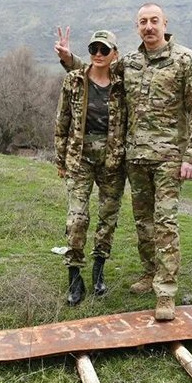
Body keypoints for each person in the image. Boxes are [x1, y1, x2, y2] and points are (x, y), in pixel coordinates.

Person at [55, 3, 192, 320]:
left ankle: (165, 293)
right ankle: (150, 272)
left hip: (168, 157)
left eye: (154, 21)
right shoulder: (131, 63)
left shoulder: (185, 59)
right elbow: (97, 69)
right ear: (137, 27)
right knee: (143, 223)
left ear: (165, 23)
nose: (149, 26)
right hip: (135, 157)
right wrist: (68, 59)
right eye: (143, 22)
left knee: (166, 221)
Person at [54, 30, 126, 306]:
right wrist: (60, 159)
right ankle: (74, 277)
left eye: (104, 50)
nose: (98, 53)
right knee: (77, 219)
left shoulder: (121, 85)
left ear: (114, 55)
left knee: (108, 219)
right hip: (80, 159)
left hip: (112, 161)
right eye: (93, 48)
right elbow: (61, 122)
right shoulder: (74, 81)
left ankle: (98, 271)